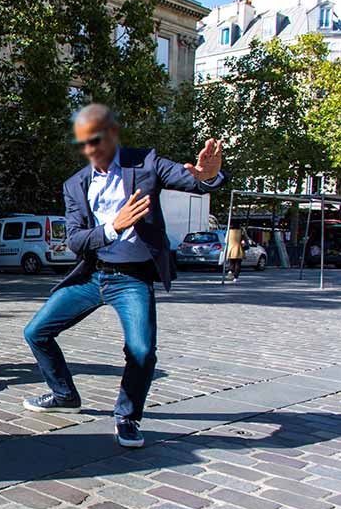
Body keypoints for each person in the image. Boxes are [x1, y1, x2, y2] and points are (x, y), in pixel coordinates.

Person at [21, 104, 226, 448]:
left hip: (132, 279)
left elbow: (189, 177)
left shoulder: (145, 163)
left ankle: (127, 416)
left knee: (142, 351)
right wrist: (113, 227)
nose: (92, 148)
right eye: (85, 142)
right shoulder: (75, 185)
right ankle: (64, 394)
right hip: (92, 276)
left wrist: (207, 176)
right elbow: (74, 240)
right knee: (36, 332)